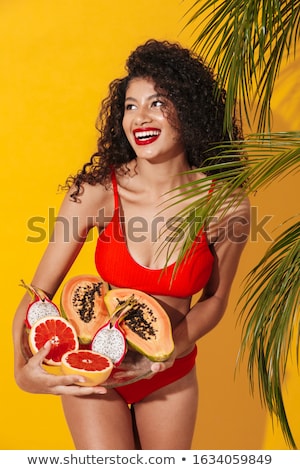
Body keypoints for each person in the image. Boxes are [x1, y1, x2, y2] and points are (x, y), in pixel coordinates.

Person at [13, 39, 250, 450]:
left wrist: (164, 352)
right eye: (130, 105)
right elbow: (38, 293)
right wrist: (22, 372)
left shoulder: (226, 206)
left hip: (171, 373)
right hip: (93, 366)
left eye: (158, 103)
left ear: (190, 112)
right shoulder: (96, 193)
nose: (140, 116)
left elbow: (215, 300)